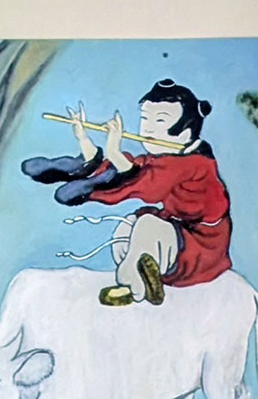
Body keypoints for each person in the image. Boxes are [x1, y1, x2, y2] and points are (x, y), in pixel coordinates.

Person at [21, 80, 233, 306]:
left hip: (201, 247)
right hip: (179, 234)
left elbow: (149, 185)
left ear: (186, 132)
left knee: (147, 225)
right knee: (128, 225)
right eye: (145, 119)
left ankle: (134, 285)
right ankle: (82, 166)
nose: (148, 129)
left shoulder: (195, 164)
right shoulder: (167, 158)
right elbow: (138, 168)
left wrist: (114, 152)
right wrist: (84, 140)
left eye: (160, 120)